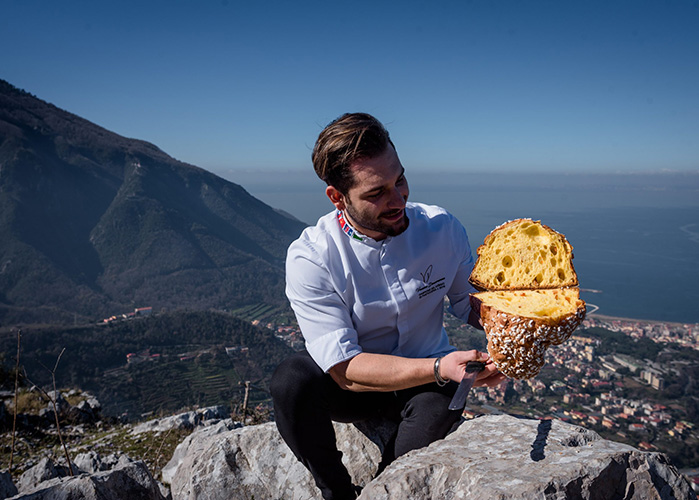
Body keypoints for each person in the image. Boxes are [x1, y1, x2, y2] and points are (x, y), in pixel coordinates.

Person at [270, 112, 506, 500]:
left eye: (400, 180)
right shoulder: (313, 257)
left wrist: (519, 325)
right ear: (336, 197)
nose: (398, 200)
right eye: (376, 193)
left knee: (417, 441)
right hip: (360, 385)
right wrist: (437, 366)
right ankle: (336, 492)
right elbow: (345, 369)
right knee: (291, 381)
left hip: (430, 382)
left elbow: (469, 303)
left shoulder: (442, 228)